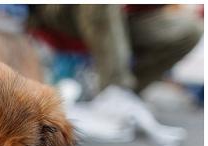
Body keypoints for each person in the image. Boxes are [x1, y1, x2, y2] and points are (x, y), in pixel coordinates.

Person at [26, 4, 203, 93]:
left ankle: (123, 97)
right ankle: (114, 91)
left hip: (123, 18)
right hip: (63, 12)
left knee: (190, 29)